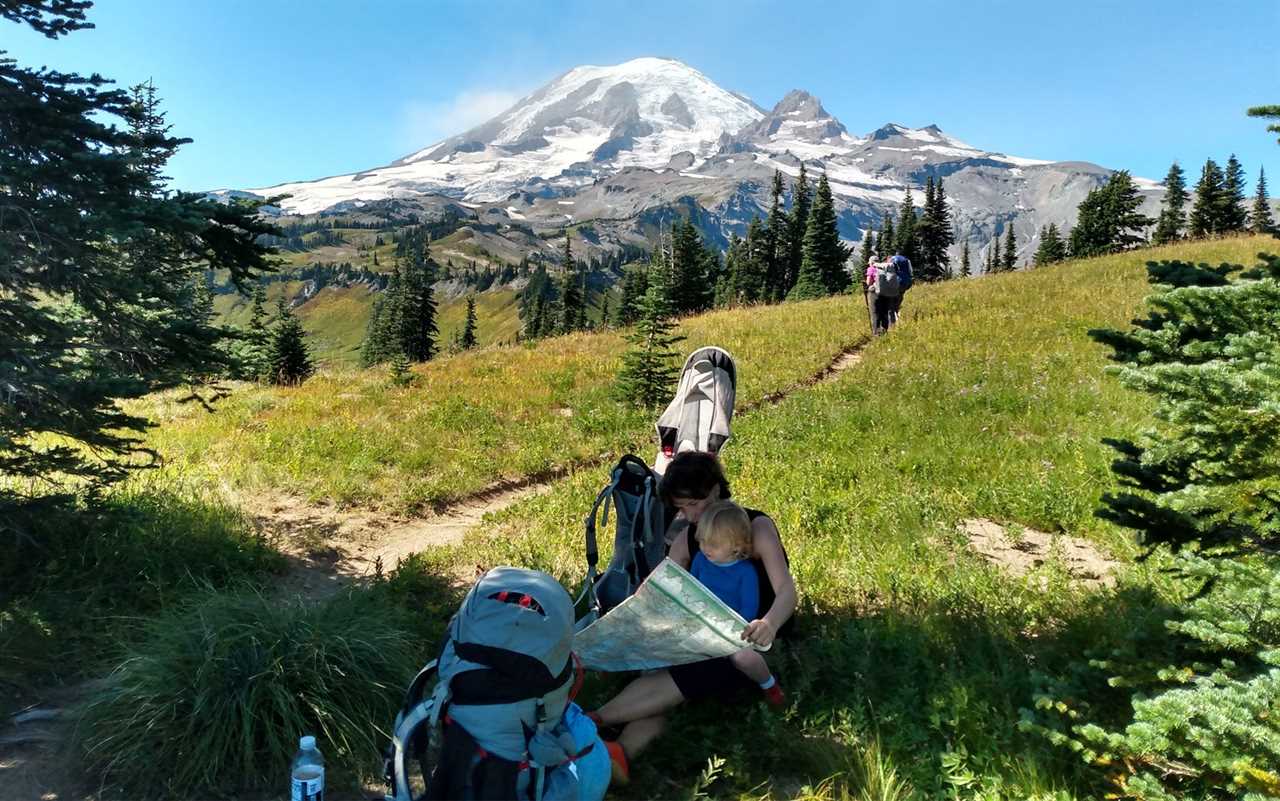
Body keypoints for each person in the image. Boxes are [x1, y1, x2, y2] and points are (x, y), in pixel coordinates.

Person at [587, 452, 797, 783]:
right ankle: (617, 754)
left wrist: (768, 624)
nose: (687, 515)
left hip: (752, 640)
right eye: (681, 508)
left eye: (691, 505)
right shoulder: (690, 538)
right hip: (704, 637)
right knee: (678, 677)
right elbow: (657, 589)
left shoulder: (754, 527)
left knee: (698, 671)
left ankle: (590, 722)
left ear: (714, 490)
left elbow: (787, 591)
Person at [689, 500, 785, 706]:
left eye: (713, 544)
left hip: (732, 628)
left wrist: (730, 628)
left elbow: (749, 608)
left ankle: (769, 684)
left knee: (742, 658)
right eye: (702, 540)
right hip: (700, 622)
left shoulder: (745, 571)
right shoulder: (699, 559)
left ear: (737, 546)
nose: (705, 548)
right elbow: (690, 588)